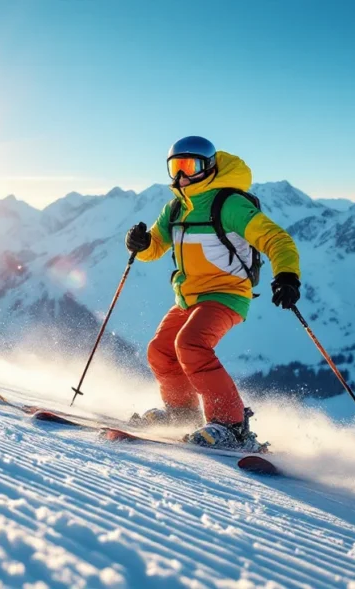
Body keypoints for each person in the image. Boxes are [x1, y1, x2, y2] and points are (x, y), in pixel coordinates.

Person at [124, 136, 301, 451]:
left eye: (189, 166)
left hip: (226, 294)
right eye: (175, 167)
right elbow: (155, 246)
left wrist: (287, 276)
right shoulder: (175, 208)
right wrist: (141, 243)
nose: (182, 176)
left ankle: (231, 426)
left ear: (208, 167)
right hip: (188, 297)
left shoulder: (229, 204)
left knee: (191, 344)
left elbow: (277, 239)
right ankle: (181, 413)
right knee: (160, 351)